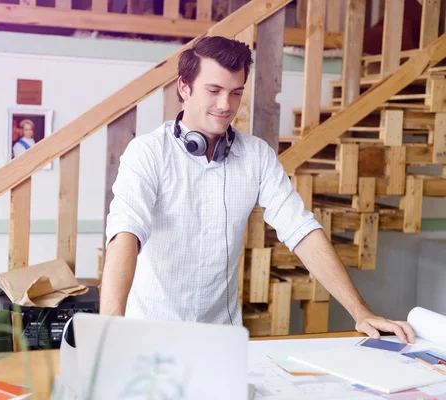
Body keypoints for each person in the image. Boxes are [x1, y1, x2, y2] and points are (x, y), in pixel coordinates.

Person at [100, 36, 416, 344]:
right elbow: (125, 234)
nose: (226, 105)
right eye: (214, 90)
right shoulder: (147, 153)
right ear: (184, 87)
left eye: (236, 93)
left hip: (221, 340)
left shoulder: (256, 155)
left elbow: (302, 231)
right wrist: (108, 334)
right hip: (150, 337)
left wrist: (361, 312)